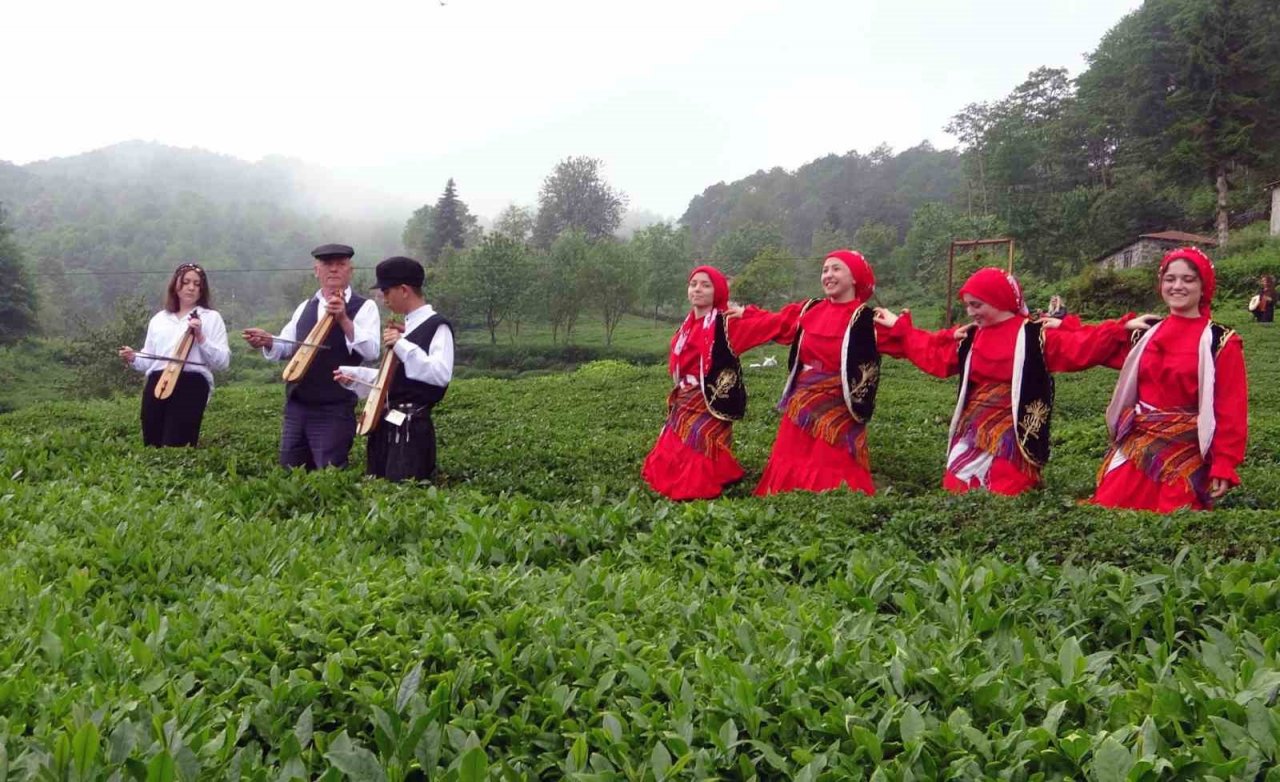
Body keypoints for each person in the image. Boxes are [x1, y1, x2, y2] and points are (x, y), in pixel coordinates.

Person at [873, 267, 1136, 496]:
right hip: (972, 428)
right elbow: (935, 355)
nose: (970, 312)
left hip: (1015, 430)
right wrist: (901, 328)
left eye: (977, 305)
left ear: (998, 300)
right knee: (958, 487)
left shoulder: (1034, 335)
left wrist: (1119, 329)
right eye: (967, 305)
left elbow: (1079, 346)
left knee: (1007, 488)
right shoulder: (971, 336)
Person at [1092, 247, 1247, 511]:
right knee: (1110, 507)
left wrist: (1224, 462)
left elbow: (1230, 407)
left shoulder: (1220, 341)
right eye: (1170, 279)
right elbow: (1088, 348)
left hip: (1186, 449)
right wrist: (1064, 327)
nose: (1177, 286)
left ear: (1204, 286)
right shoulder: (1147, 331)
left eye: (1188, 279)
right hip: (1137, 444)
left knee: (1176, 515)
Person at [641, 265, 789, 500]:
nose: (697, 289)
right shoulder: (687, 325)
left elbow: (777, 324)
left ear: (717, 292)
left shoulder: (728, 324)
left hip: (711, 399)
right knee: (670, 457)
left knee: (696, 467)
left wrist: (747, 313)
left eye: (705, 285)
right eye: (693, 284)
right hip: (684, 398)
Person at [753, 250, 889, 496]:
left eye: (836, 269)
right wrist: (745, 315)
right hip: (801, 404)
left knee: (831, 464)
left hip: (841, 404)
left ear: (855, 278)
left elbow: (909, 342)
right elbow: (777, 323)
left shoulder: (866, 319)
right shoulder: (810, 309)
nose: (828, 275)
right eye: (825, 270)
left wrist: (950, 340)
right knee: (789, 461)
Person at [242, 243, 380, 469]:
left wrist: (344, 320)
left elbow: (371, 351)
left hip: (334, 408)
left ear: (350, 270)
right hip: (297, 406)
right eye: (327, 264)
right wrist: (268, 341)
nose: (333, 269)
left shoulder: (364, 306)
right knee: (290, 470)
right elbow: (288, 347)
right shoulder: (305, 306)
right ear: (317, 270)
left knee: (329, 474)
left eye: (340, 264)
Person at [335, 257, 453, 482]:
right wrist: (356, 377)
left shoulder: (437, 326)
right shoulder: (407, 329)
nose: (384, 299)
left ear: (404, 290)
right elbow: (396, 380)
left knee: (405, 496)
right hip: (386, 424)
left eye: (386, 292)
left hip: (411, 427)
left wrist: (401, 344)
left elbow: (440, 374)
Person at [118, 263, 230, 447]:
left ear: (202, 289)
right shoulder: (159, 319)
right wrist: (133, 357)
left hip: (191, 383)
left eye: (196, 283)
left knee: (177, 442)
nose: (191, 287)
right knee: (152, 441)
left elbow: (222, 361)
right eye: (185, 282)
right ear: (175, 285)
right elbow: (150, 358)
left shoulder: (211, 318)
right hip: (157, 382)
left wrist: (201, 337)